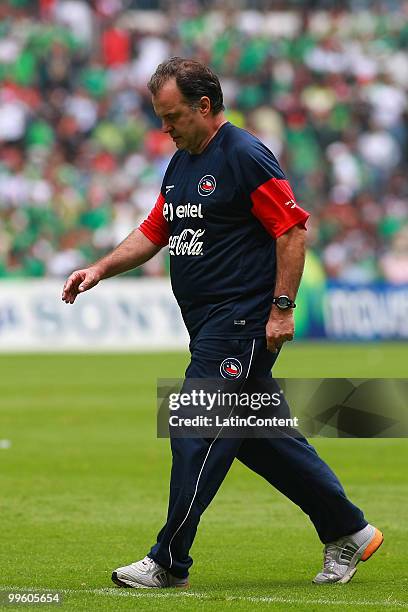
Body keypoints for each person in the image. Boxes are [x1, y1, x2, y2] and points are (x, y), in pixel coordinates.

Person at [62, 57, 383, 588]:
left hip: (239, 322)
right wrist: (100, 268)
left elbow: (292, 231)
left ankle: (169, 560)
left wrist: (282, 309)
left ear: (204, 107)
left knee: (194, 428)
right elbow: (154, 229)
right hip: (208, 323)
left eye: (172, 117)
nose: (164, 129)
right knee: (262, 437)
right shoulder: (183, 161)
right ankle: (349, 530)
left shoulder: (244, 155)